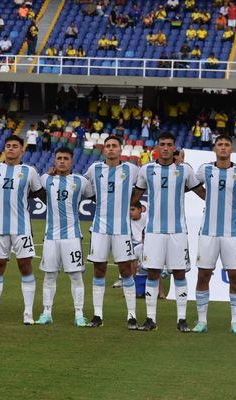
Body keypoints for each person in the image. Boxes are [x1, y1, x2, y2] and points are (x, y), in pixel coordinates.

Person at [131, 131, 205, 332]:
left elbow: (203, 193)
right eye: (162, 144)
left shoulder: (185, 171)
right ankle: (150, 319)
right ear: (157, 147)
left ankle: (181, 319)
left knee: (179, 273)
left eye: (169, 144)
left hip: (178, 231)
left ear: (174, 148)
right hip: (154, 231)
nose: (165, 147)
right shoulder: (146, 170)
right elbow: (135, 196)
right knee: (152, 272)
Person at [0, 135, 45, 325]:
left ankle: (28, 313)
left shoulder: (29, 171)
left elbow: (39, 193)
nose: (10, 149)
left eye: (14, 146)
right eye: (8, 146)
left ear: (21, 150)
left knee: (25, 266)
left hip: (22, 228)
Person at [192, 135, 236, 334]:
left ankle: (235, 322)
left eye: (226, 145)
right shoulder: (204, 169)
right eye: (220, 145)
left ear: (231, 149)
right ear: (214, 148)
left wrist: (233, 200)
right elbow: (192, 184)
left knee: (235, 276)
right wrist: (207, 197)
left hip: (232, 233)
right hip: (208, 232)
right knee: (203, 275)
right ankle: (202, 321)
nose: (223, 148)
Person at [84, 136, 140, 329]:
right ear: (104, 150)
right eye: (107, 146)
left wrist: (131, 202)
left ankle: (132, 315)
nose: (110, 149)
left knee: (126, 270)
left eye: (114, 146)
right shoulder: (95, 169)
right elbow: (83, 187)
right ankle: (98, 315)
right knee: (99, 270)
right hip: (99, 229)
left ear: (120, 149)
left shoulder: (131, 169)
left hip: (122, 230)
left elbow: (142, 186)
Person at [35, 147, 93, 327]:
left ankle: (79, 314)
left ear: (72, 161)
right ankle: (46, 313)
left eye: (65, 158)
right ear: (54, 161)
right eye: (59, 158)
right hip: (51, 237)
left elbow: (95, 197)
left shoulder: (81, 181)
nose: (62, 161)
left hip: (72, 237)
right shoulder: (45, 179)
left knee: (76, 276)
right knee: (49, 276)